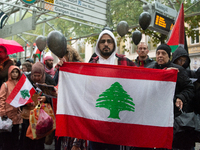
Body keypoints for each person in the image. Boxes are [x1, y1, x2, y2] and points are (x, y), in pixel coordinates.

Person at [87, 29, 136, 150]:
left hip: (119, 123)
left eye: (109, 41)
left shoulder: (125, 62)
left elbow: (144, 78)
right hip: (96, 122)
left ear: (114, 44)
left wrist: (165, 74)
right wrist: (64, 67)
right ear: (98, 45)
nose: (106, 44)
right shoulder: (92, 64)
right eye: (103, 41)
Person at [148, 44, 194, 150]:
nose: (160, 56)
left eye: (163, 53)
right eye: (158, 53)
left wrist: (181, 97)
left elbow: (189, 88)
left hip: (172, 116)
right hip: (154, 116)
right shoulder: (150, 69)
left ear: (169, 56)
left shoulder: (178, 70)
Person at [20, 62, 56, 150]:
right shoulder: (26, 80)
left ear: (43, 74)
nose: (36, 78)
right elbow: (21, 94)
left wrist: (46, 98)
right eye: (34, 75)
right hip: (29, 114)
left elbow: (55, 96)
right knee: (28, 138)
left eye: (39, 76)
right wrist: (28, 101)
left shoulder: (49, 80)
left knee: (40, 137)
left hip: (42, 116)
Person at [0, 65, 22, 150]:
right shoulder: (5, 85)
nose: (15, 74)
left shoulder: (20, 85)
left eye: (16, 72)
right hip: (7, 114)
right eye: (13, 72)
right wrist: (2, 112)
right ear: (9, 73)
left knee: (15, 137)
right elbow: (1, 99)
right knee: (6, 138)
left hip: (17, 115)